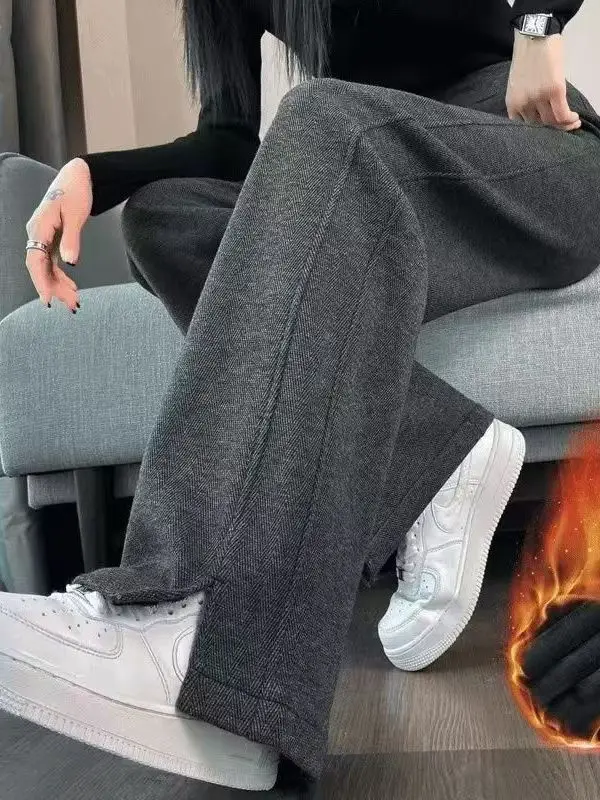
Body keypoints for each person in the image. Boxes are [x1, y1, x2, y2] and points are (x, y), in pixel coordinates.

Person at [1, 0, 599, 791]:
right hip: (379, 178)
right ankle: (439, 454)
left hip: (531, 153)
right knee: (165, 218)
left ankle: (198, 626)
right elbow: (225, 144)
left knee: (321, 115)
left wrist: (537, 29)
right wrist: (91, 173)